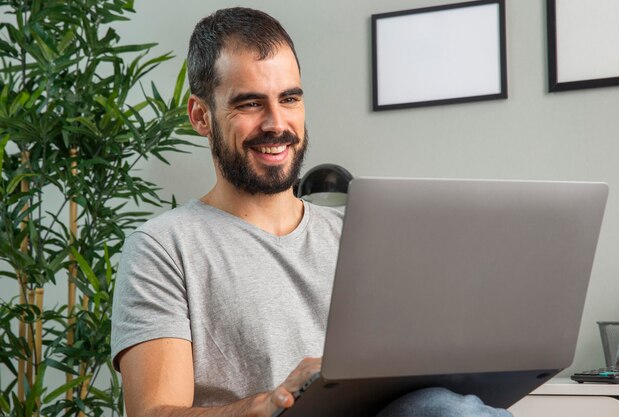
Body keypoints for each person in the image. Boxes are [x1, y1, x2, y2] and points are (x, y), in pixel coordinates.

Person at [111, 7, 512, 417]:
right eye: (250, 103)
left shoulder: (357, 236)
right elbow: (153, 412)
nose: (277, 123)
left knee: (445, 408)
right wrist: (264, 406)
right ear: (201, 116)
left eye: (289, 99)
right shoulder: (163, 248)